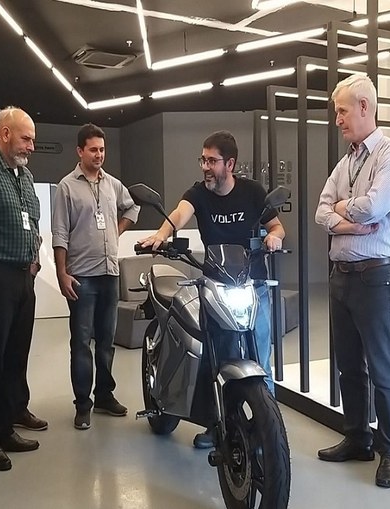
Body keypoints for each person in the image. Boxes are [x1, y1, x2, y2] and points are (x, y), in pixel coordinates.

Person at [139, 130, 285, 449]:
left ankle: (268, 430)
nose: (205, 166)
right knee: (215, 356)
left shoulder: (252, 192)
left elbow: (276, 226)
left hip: (253, 285)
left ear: (229, 164)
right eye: (203, 160)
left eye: (212, 161)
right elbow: (179, 214)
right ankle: (216, 425)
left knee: (262, 356)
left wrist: (274, 237)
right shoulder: (199, 193)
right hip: (215, 285)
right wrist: (161, 234)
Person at [314, 74, 390, 489]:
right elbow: (320, 212)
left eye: (342, 111)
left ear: (364, 107)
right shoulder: (346, 162)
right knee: (349, 366)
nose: (337, 120)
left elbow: (374, 207)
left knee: (383, 369)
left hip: (375, 278)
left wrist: (342, 209)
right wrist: (347, 221)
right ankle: (357, 438)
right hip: (342, 278)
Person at [52, 123, 140, 430]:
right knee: (81, 342)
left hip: (109, 273)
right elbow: (60, 233)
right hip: (82, 276)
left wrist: (117, 230)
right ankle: (82, 404)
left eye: (102, 149)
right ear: (80, 151)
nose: (99, 155)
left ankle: (104, 395)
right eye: (93, 150)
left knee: (106, 341)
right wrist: (62, 273)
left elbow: (132, 207)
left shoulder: (113, 184)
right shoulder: (66, 187)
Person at [0, 107, 44, 471]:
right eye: (25, 138)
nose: (31, 146)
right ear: (3, 134)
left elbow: (32, 220)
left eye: (32, 140)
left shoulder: (25, 175)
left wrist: (35, 252)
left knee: (16, 355)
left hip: (24, 277)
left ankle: (7, 426)